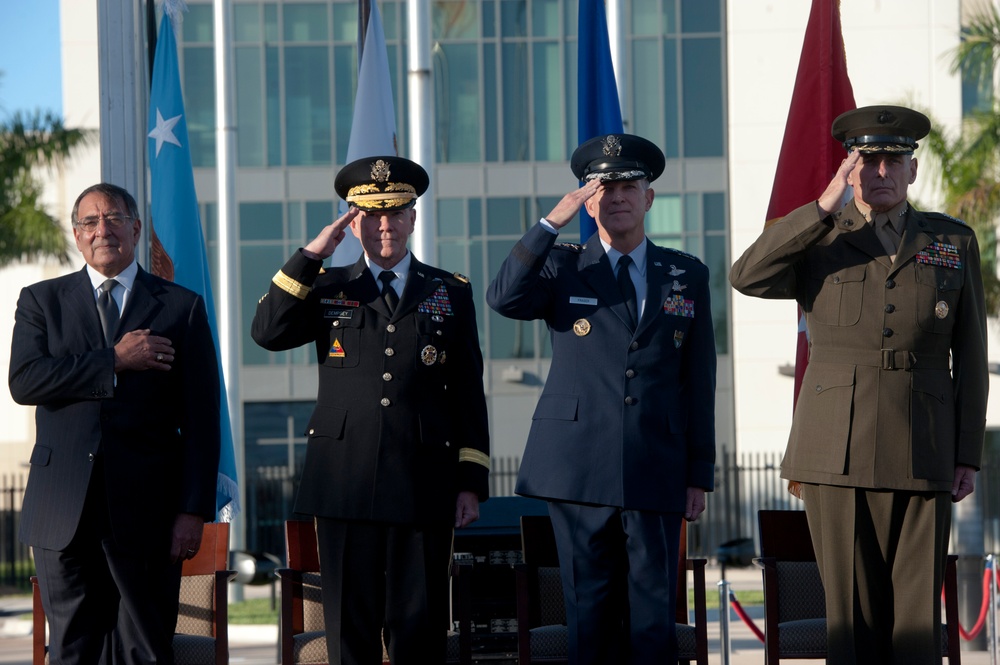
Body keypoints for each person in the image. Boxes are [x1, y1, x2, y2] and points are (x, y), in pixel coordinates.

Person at [730, 105, 988, 664]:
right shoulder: (818, 240)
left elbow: (969, 354)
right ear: (851, 169)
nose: (881, 172)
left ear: (912, 169)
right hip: (835, 450)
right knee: (851, 621)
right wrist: (823, 208)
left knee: (918, 623)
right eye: (867, 160)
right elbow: (746, 276)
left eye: (893, 160)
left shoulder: (951, 242)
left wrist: (967, 453)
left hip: (923, 445)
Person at [487, 133, 717, 664]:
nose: (617, 197)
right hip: (577, 466)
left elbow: (696, 380)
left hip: (655, 465)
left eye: (629, 186)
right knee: (588, 610)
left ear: (648, 198)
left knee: (653, 612)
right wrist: (551, 224)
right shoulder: (563, 264)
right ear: (589, 201)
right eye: (604, 188)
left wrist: (698, 473)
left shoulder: (687, 274)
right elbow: (504, 297)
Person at [251, 155, 491, 665]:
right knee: (348, 629)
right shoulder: (327, 287)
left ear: (413, 218)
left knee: (420, 628)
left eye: (396, 212)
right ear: (354, 221)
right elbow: (267, 331)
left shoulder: (450, 291)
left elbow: (468, 390)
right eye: (372, 215)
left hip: (422, 479)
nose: (385, 225)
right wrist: (311, 254)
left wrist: (470, 480)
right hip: (344, 480)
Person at [9, 182, 222, 665]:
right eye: (90, 221)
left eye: (113, 219)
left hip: (150, 513)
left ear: (135, 228)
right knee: (73, 648)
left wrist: (192, 512)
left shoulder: (180, 306)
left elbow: (203, 421)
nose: (102, 230)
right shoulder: (42, 301)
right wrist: (114, 361)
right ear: (77, 235)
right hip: (63, 509)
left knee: (143, 648)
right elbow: (25, 381)